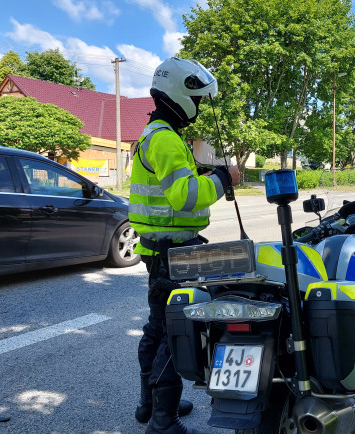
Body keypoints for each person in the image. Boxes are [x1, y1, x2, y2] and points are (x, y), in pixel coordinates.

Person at [129, 57, 240, 434]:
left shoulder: (157, 134)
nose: (200, 108)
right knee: (176, 331)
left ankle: (151, 403)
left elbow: (172, 187)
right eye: (198, 99)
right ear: (182, 95)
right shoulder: (164, 139)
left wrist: (210, 174)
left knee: (158, 327)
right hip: (173, 253)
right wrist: (224, 178)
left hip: (158, 250)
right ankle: (163, 421)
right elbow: (184, 195)